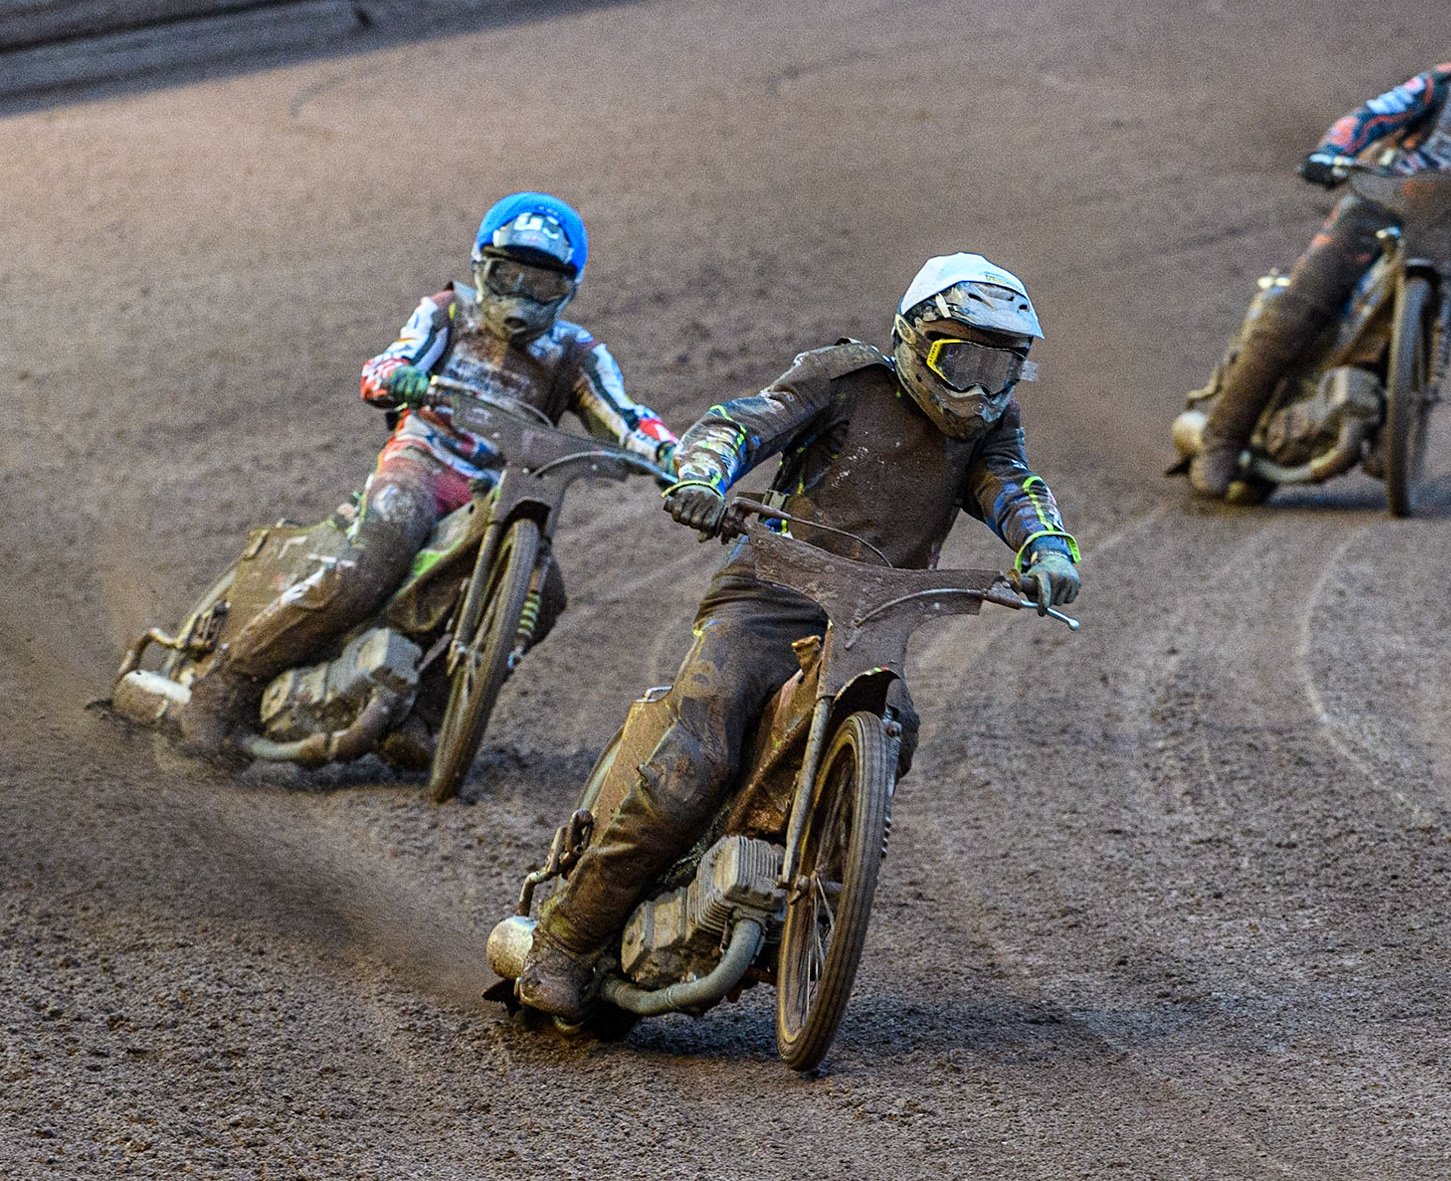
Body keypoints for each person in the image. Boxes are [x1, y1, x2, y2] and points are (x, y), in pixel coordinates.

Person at [515, 253, 1082, 1019]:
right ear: (916, 342)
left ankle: (807, 891)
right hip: (769, 595)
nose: (981, 390)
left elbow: (1016, 490)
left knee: (897, 727)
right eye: (964, 361)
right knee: (699, 747)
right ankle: (565, 939)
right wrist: (703, 476)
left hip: (873, 617)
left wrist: (1045, 549)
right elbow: (740, 425)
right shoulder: (845, 380)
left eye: (1001, 368)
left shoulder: (992, 429)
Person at [176, 192, 677, 757]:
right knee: (379, 550)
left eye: (539, 286)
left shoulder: (577, 355)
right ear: (479, 269)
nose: (518, 297)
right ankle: (226, 684)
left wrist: (673, 460)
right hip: (421, 465)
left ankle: (428, 718)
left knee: (547, 594)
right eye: (506, 276)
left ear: (567, 290)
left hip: (500, 495)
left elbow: (627, 418)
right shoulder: (446, 312)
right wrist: (401, 380)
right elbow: (383, 368)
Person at [1187, 11, 1451, 498]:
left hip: (1436, 229)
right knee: (1296, 312)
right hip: (1373, 207)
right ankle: (1221, 440)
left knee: (1448, 307)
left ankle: (1397, 429)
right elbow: (1371, 116)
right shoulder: (1441, 86)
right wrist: (1333, 151)